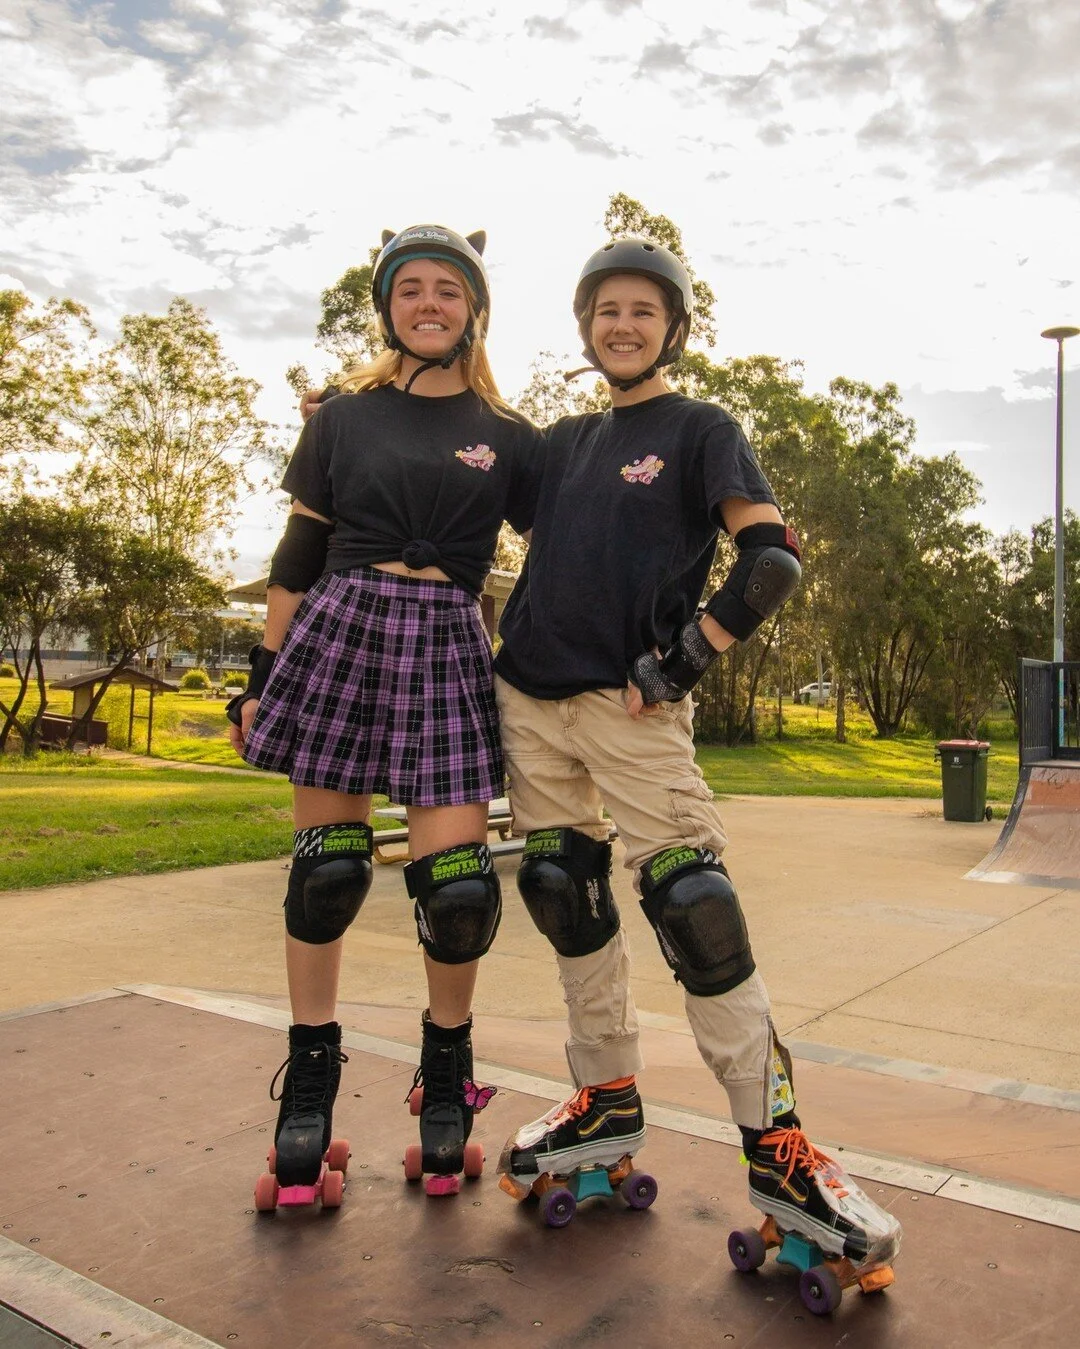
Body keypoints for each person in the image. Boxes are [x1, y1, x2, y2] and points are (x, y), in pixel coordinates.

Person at [493, 239, 900, 1268]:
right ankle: (606, 1093)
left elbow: (770, 559)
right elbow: (458, 468)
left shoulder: (700, 429)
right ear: (585, 325)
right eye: (605, 311)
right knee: (562, 888)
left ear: (672, 327)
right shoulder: (563, 440)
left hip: (632, 711)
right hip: (529, 697)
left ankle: (781, 1146)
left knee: (693, 905)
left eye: (642, 311)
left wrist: (686, 657)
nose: (621, 326)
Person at [229, 224, 540, 1198]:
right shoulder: (343, 419)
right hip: (342, 627)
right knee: (328, 875)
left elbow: (581, 542)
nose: (430, 302)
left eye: (449, 288)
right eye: (411, 288)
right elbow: (297, 551)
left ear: (473, 309)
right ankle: (308, 1091)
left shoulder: (514, 437)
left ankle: (445, 1081)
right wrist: (258, 673)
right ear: (389, 307)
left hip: (449, 638)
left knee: (456, 888)